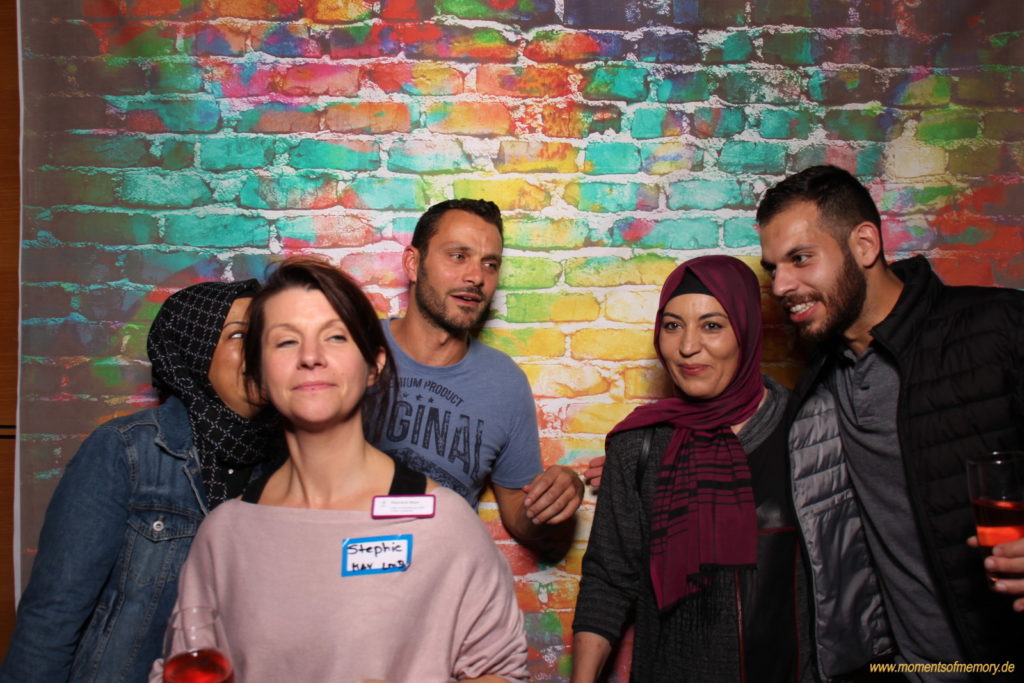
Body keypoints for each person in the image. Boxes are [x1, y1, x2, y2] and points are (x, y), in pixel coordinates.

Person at [154, 257, 528, 682]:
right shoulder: (225, 534)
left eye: (335, 336)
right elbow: (186, 664)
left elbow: (500, 672)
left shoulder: (442, 523)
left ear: (374, 365)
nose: (311, 357)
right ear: (258, 376)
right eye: (285, 341)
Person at [757, 164, 1024, 678]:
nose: (782, 285)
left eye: (801, 258)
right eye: (773, 268)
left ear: (864, 245)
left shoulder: (999, 327)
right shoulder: (822, 380)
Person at [1, 280, 278, 683]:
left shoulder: (288, 466)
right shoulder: (126, 450)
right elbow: (54, 613)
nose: (260, 350)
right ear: (194, 348)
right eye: (238, 335)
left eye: (268, 336)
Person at [572, 255, 809, 682]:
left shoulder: (806, 431)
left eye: (712, 325)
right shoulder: (638, 445)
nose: (687, 347)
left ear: (747, 330)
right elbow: (608, 580)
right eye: (672, 325)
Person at [366, 198, 583, 542]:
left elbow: (518, 513)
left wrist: (553, 501)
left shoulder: (504, 383)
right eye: (458, 256)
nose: (476, 277)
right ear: (413, 263)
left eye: (490, 264)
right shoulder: (353, 351)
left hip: (446, 570)